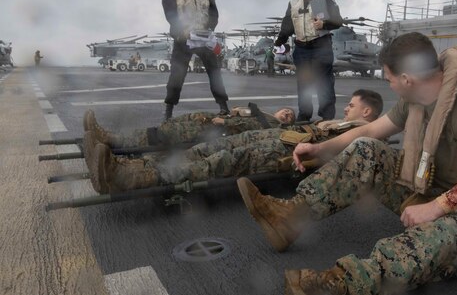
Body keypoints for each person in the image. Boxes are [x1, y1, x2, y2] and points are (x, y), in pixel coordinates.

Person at [236, 32, 457, 295]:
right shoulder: (415, 100)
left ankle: (329, 288)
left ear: (406, 79)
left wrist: (437, 208)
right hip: (422, 188)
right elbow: (372, 131)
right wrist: (319, 149)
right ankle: (288, 219)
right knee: (368, 151)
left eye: (389, 78)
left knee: (444, 235)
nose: (388, 84)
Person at [83, 90, 382, 194]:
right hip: (275, 137)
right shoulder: (349, 125)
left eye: (352, 105)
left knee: (212, 164)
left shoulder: (365, 130)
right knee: (202, 150)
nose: (347, 108)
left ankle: (128, 177)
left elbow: (337, 151)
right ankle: (125, 165)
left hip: (284, 150)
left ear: (366, 111)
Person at [162, 0, 230, 121]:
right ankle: (168, 110)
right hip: (183, 39)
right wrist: (180, 30)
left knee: (215, 72)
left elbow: (214, 12)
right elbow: (169, 11)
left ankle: (223, 106)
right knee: (177, 75)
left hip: (203, 39)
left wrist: (210, 28)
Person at [275, 0, 343, 122]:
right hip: (301, 49)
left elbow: (338, 21)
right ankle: (304, 115)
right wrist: (279, 41)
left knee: (324, 82)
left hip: (321, 46)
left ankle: (326, 117)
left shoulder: (324, 0)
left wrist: (324, 23)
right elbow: (287, 25)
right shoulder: (293, 4)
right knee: (304, 84)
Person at [82, 105, 296, 148]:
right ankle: (115, 139)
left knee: (166, 133)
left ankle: (112, 139)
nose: (287, 115)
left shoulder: (272, 124)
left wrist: (228, 121)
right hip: (214, 119)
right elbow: (246, 115)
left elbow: (252, 127)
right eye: (287, 111)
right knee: (172, 124)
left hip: (220, 130)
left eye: (291, 116)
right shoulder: (265, 113)